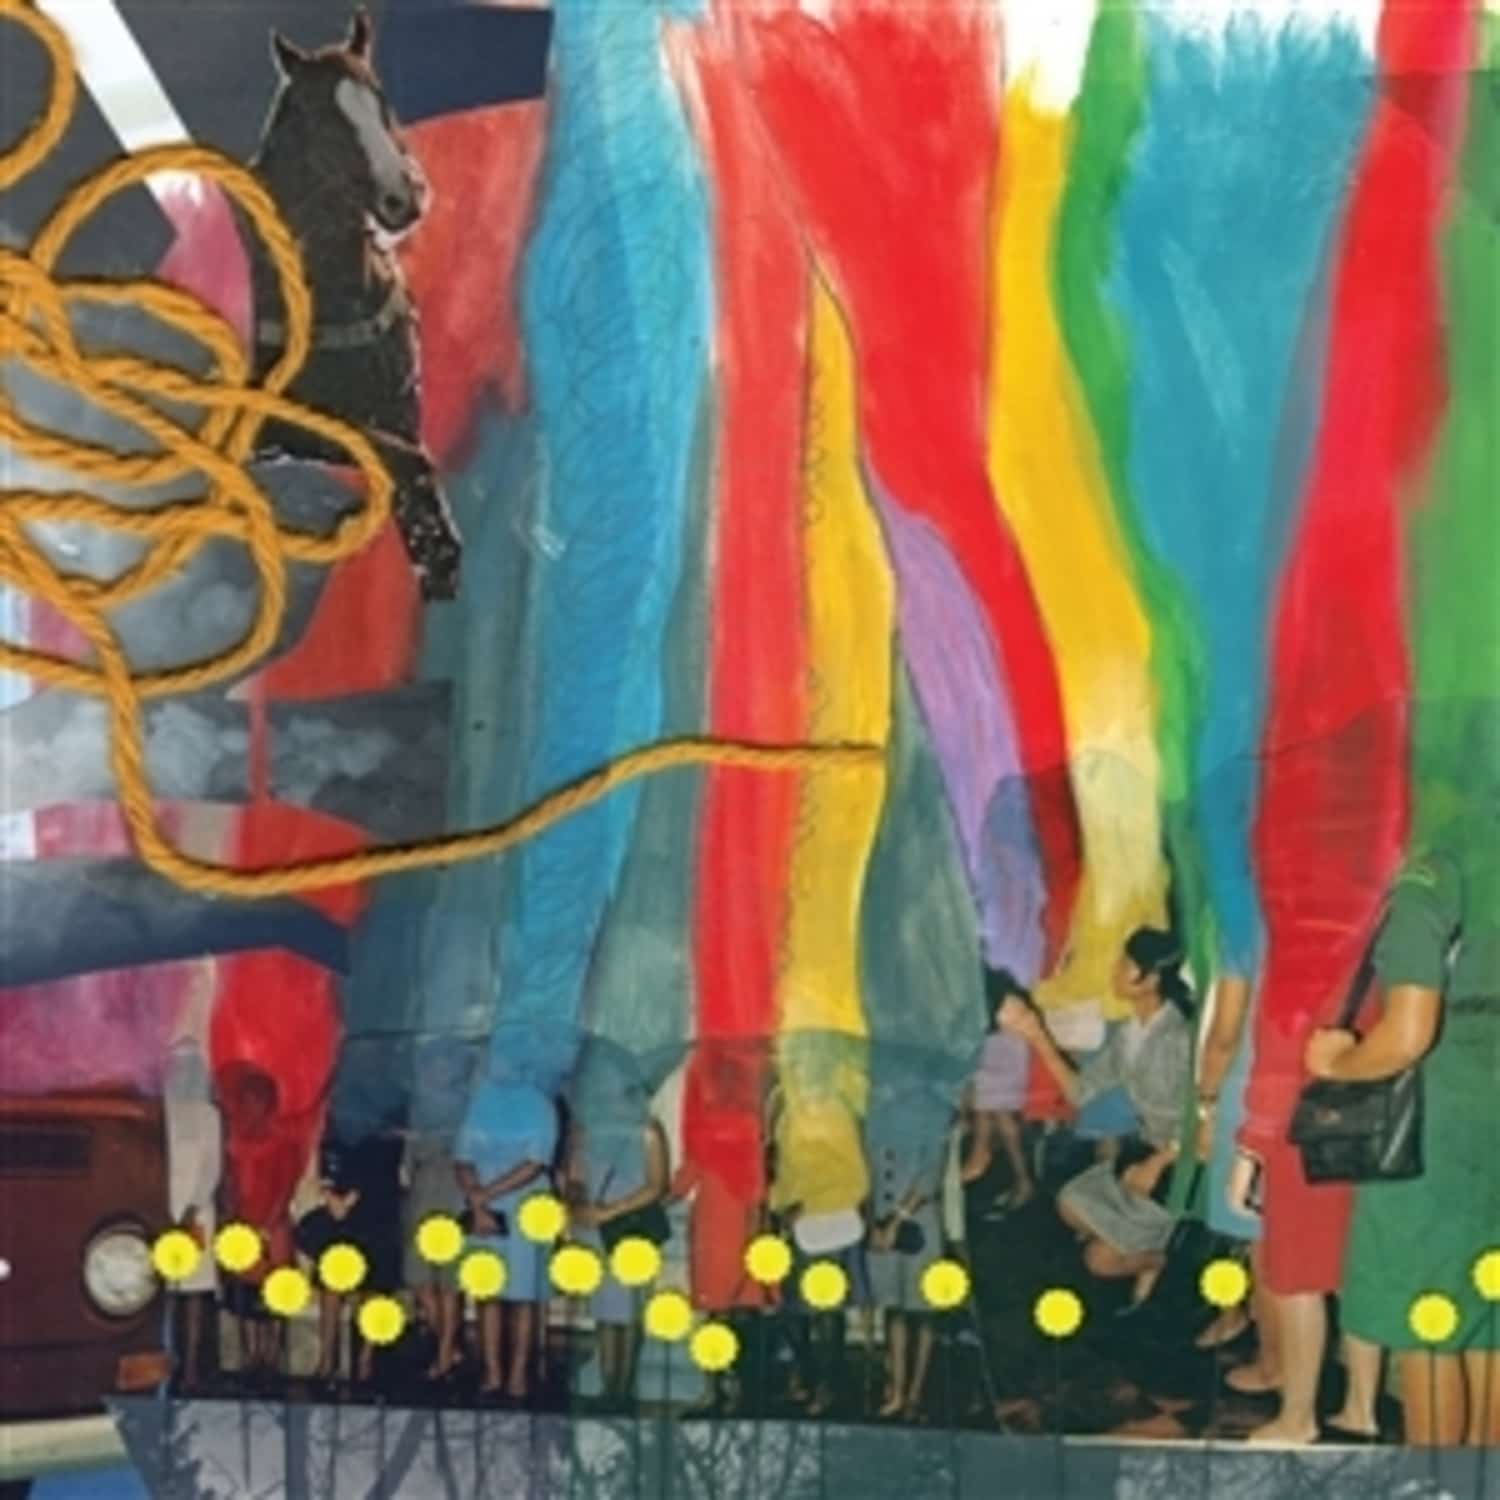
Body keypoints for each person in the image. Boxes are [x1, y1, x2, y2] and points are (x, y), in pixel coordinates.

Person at [1309, 848, 1500, 1446]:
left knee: (1428, 1316)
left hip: (1435, 1126)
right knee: (1489, 1311)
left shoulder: (1434, 873)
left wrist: (1338, 1063)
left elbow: (1407, 1035)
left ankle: (1442, 1481)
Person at [1001, 928, 1194, 1301]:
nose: (1115, 970)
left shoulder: (1176, 1038)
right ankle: (1135, 1241)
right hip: (1146, 1152)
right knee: (1070, 1204)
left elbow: (1203, 1115)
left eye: (1126, 964)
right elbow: (1080, 1091)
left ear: (1150, 980)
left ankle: (1162, 1260)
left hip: (1179, 1164)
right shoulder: (1130, 1034)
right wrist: (1036, 1034)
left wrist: (1158, 1162)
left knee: (1098, 1260)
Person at [454, 1078, 558, 1399]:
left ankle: (518, 1374)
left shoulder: (541, 1103)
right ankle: (492, 1372)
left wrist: (487, 1194)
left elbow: (536, 1162)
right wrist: (476, 1199)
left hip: (524, 1203)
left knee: (522, 1295)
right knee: (486, 1292)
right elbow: (462, 1157)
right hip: (482, 1202)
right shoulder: (481, 1100)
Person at [567, 1112, 670, 1406]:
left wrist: (610, 1212)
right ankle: (607, 1387)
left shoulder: (647, 1128)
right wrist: (577, 1204)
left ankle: (622, 1390)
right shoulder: (584, 1126)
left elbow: (657, 1185)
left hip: (630, 1228)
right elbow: (574, 1177)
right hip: (594, 1226)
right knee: (604, 1311)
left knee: (629, 1311)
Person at [864, 1083, 949, 1422]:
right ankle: (897, 1391)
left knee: (923, 1310)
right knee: (895, 1309)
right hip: (882, 1223)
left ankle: (916, 1394)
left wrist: (896, 1221)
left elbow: (930, 1177)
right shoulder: (875, 1111)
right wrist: (872, 1222)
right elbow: (868, 1171)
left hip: (918, 1222)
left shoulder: (934, 1110)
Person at [296, 1129, 404, 1387]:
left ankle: (366, 1362)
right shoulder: (337, 1125)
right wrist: (331, 1194)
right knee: (331, 1284)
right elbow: (326, 1160)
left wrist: (354, 1196)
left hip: (378, 1207)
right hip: (340, 1212)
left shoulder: (386, 1124)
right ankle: (326, 1360)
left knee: (374, 1288)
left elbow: (388, 1162)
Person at [403, 1039, 472, 1383]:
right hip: (422, 1190)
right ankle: (451, 1343)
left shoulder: (467, 1107)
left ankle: (445, 1355)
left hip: (454, 1190)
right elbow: (408, 1155)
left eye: (444, 1063)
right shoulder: (418, 1106)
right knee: (418, 1277)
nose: (437, 1070)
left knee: (449, 1281)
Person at [162, 1040, 222, 1392]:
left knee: (194, 1292)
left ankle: (192, 1367)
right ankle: (167, 1362)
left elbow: (211, 1169)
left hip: (196, 1213)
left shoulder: (208, 1115)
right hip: (164, 1209)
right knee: (167, 1292)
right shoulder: (162, 1111)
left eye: (190, 1068)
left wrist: (190, 1209)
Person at [967, 969, 1037, 1216]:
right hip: (996, 1039)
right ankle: (984, 1157)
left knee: (995, 1105)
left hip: (1005, 1040)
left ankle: (1019, 1178)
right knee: (989, 1104)